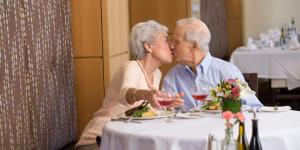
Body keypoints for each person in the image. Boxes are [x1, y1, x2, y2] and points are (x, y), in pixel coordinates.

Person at [76, 20, 184, 150]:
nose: (171, 46)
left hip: (124, 139)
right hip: (100, 140)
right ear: (148, 46)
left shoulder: (157, 73)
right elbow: (125, 93)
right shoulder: (131, 66)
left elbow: (144, 110)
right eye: (165, 41)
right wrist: (146, 94)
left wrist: (166, 106)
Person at [162, 17, 263, 110]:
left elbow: (255, 107)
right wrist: (169, 108)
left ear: (194, 46)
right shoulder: (173, 76)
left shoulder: (227, 71)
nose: (171, 46)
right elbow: (165, 113)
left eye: (177, 42)